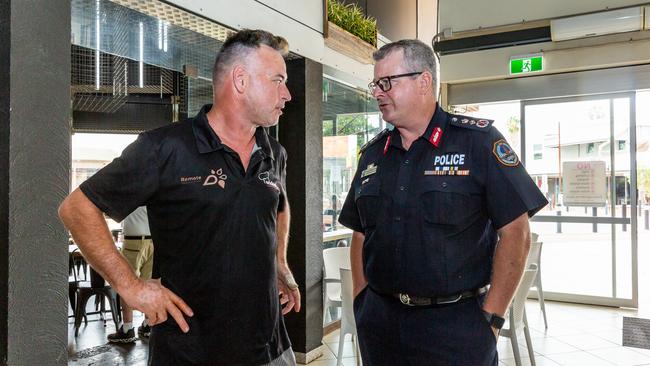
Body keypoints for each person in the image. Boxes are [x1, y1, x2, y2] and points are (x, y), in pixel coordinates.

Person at [59, 29, 300, 365]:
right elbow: (77, 208)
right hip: (191, 350)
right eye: (277, 80)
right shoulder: (164, 148)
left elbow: (279, 208)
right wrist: (131, 286)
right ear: (241, 81)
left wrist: (279, 262)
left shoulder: (275, 152)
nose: (287, 93)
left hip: (269, 345)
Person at [338, 39, 548, 366]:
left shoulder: (478, 142)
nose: (377, 92)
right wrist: (362, 303)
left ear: (424, 82)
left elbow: (516, 231)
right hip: (381, 326)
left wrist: (491, 319)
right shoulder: (372, 154)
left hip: (456, 328)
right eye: (375, 84)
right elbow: (360, 234)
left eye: (386, 83)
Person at [107, 206, 154, 343]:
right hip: (153, 241)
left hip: (134, 241)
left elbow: (113, 213)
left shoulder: (131, 190)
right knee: (149, 285)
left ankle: (127, 329)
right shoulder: (152, 188)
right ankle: (148, 325)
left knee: (125, 284)